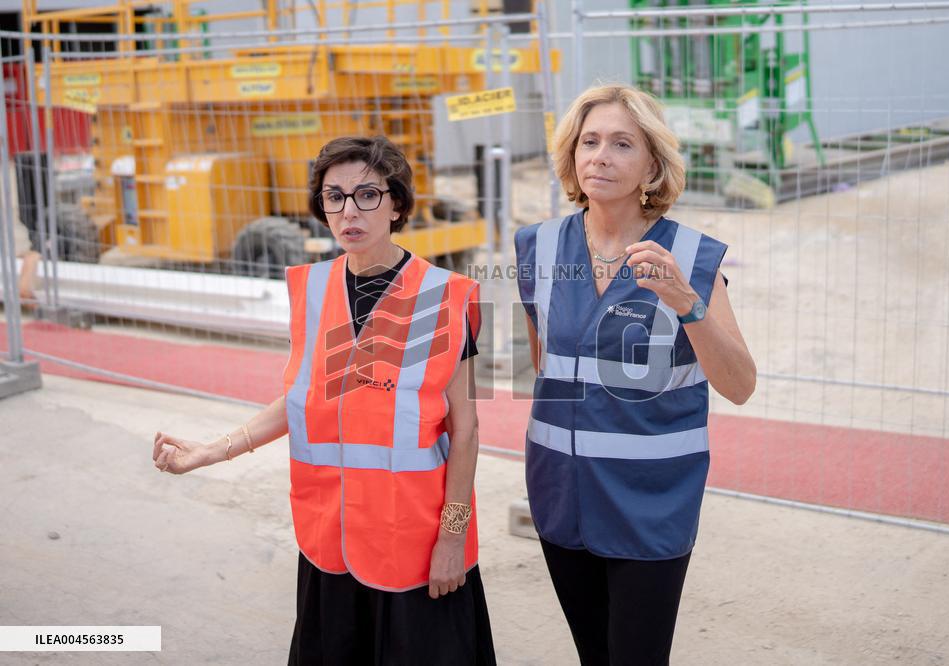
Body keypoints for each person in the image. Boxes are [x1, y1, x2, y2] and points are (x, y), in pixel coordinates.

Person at [152, 135, 496, 665]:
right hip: (330, 542)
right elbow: (298, 402)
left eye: (367, 195)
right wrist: (210, 451)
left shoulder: (448, 297)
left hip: (415, 545)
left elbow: (467, 430)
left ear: (397, 203)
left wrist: (453, 538)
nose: (348, 211)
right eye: (334, 197)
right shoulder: (313, 289)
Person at [515, 84, 757, 665]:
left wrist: (686, 302)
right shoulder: (536, 247)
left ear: (652, 162)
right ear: (572, 154)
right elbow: (545, 364)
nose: (601, 155)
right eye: (589, 141)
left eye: (622, 144)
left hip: (651, 501)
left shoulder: (692, 257)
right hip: (560, 494)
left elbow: (740, 385)